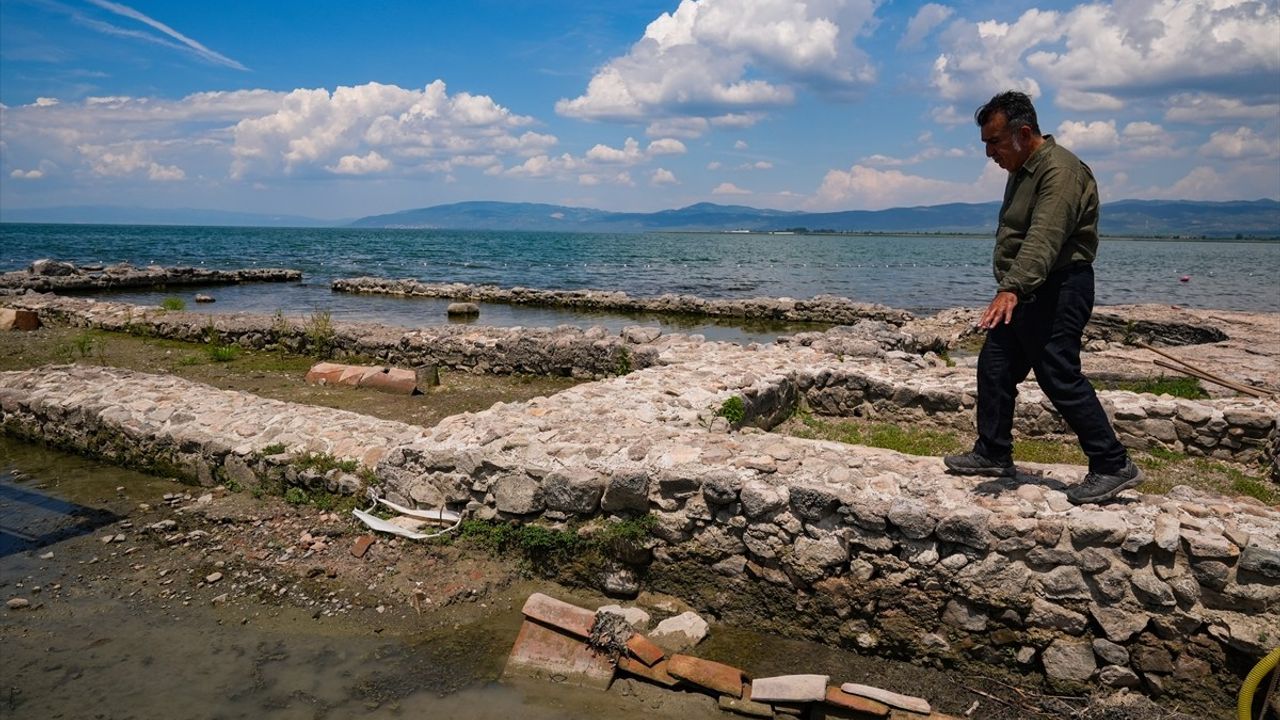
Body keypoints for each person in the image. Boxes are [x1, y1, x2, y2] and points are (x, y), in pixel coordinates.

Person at [942, 90, 1142, 505]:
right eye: (986, 144)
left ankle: (1112, 463)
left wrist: (1011, 287)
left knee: (1058, 374)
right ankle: (993, 452)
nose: (989, 153)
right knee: (995, 366)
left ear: (1024, 132)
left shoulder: (1060, 171)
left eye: (994, 142)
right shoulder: (1022, 169)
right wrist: (1014, 285)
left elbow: (1044, 237)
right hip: (1029, 287)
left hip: (1058, 287)